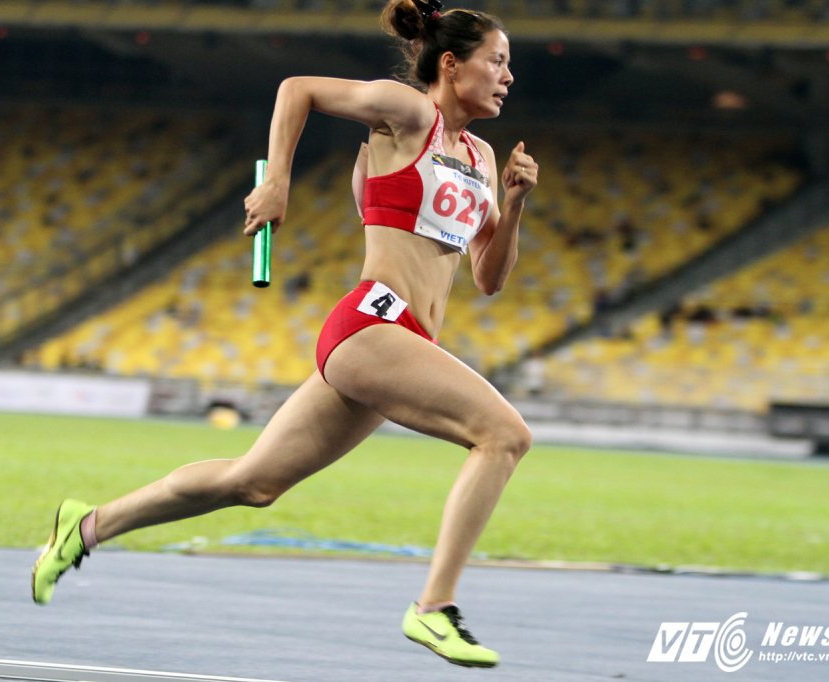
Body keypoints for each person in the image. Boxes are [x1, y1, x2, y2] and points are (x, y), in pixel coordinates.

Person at [32, 0, 538, 669]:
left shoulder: (479, 156)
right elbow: (295, 89)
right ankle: (434, 609)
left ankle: (87, 524)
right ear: (451, 63)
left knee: (253, 482)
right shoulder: (410, 112)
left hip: (405, 340)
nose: (508, 76)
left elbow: (488, 276)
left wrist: (516, 203)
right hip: (372, 326)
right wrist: (276, 182)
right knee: (505, 435)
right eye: (497, 61)